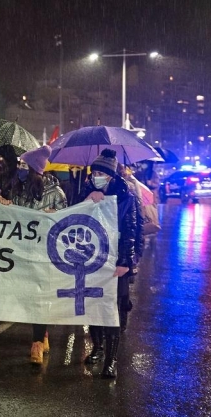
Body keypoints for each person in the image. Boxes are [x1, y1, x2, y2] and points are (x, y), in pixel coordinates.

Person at [0, 145, 67, 364]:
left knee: (39, 298)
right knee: (26, 297)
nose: (19, 169)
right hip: (22, 252)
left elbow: (66, 222)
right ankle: (42, 333)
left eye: (24, 165)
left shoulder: (56, 193)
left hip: (43, 254)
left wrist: (55, 215)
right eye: (19, 165)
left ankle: (37, 342)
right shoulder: (17, 188)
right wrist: (5, 205)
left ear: (36, 169)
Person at [82, 148, 138, 379]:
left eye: (101, 173)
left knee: (112, 310)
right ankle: (97, 347)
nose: (96, 176)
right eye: (94, 172)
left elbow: (131, 231)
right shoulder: (86, 191)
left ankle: (111, 360)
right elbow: (74, 219)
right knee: (94, 307)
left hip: (117, 263)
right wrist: (87, 201)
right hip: (93, 260)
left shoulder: (126, 196)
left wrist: (126, 261)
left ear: (111, 176)